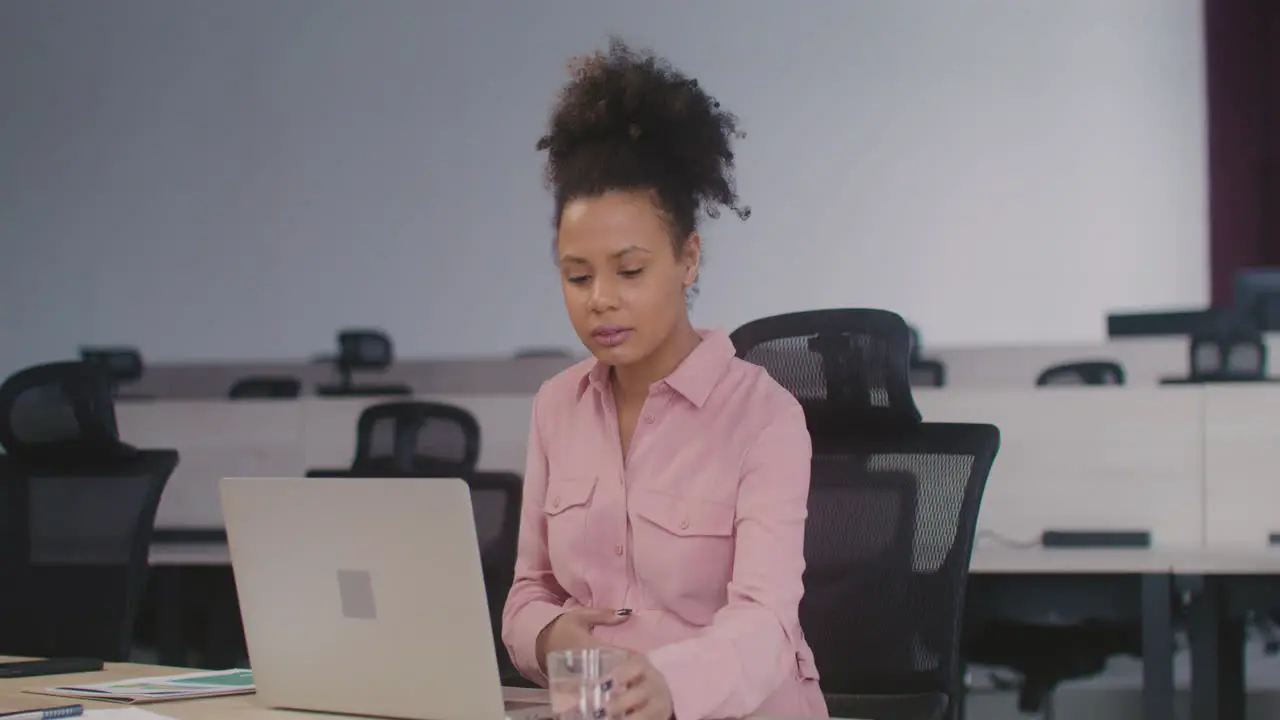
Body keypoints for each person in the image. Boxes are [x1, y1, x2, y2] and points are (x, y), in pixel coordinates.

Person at [501, 38, 827, 720]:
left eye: (630, 270)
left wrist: (670, 683)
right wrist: (549, 635)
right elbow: (527, 593)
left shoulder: (763, 416)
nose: (601, 300)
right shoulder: (557, 407)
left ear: (687, 258)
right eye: (578, 276)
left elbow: (766, 625)